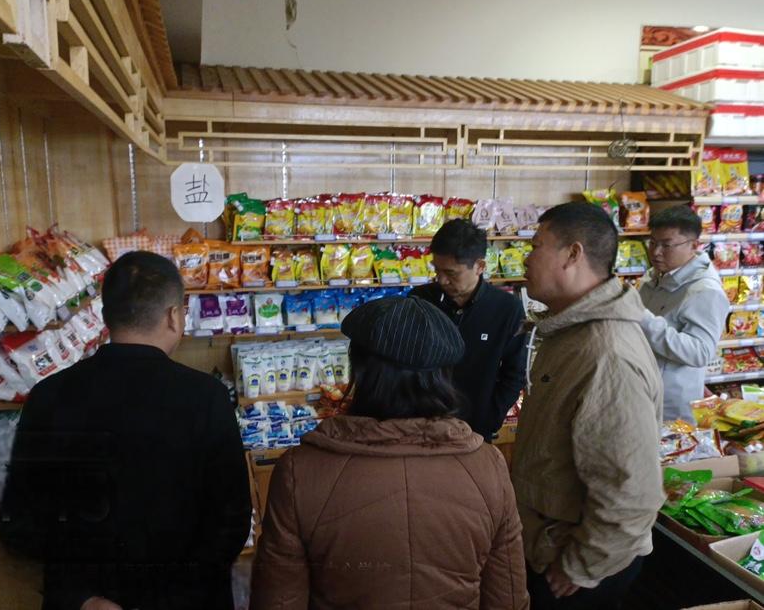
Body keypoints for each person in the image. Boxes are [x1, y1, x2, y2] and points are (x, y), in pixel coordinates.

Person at [0, 251, 252, 610]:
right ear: (174, 316)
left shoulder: (48, 396)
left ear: (105, 318)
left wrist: (81, 597)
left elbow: (19, 526)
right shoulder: (206, 397)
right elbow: (232, 522)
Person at [250, 295, 529, 610]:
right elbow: (507, 597)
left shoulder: (299, 472)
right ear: (443, 376)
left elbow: (279, 598)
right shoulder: (488, 467)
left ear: (359, 370)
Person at [513, 203, 664, 610]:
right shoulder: (571, 331)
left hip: (577, 566)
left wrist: (580, 567)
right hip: (551, 543)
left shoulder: (606, 354)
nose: (526, 258)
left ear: (573, 254)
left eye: (536, 245)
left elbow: (633, 493)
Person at [411, 219, 527, 438]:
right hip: (421, 423)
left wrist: (490, 418)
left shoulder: (507, 308)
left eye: (451, 273)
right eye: (437, 270)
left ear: (480, 266)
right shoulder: (420, 299)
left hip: (476, 428)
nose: (441, 280)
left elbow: (515, 373)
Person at [639, 205, 729, 422]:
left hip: (670, 405)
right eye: (653, 243)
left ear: (694, 245)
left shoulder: (705, 290)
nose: (656, 252)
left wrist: (643, 320)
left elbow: (700, 352)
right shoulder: (655, 275)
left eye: (666, 245)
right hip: (642, 389)